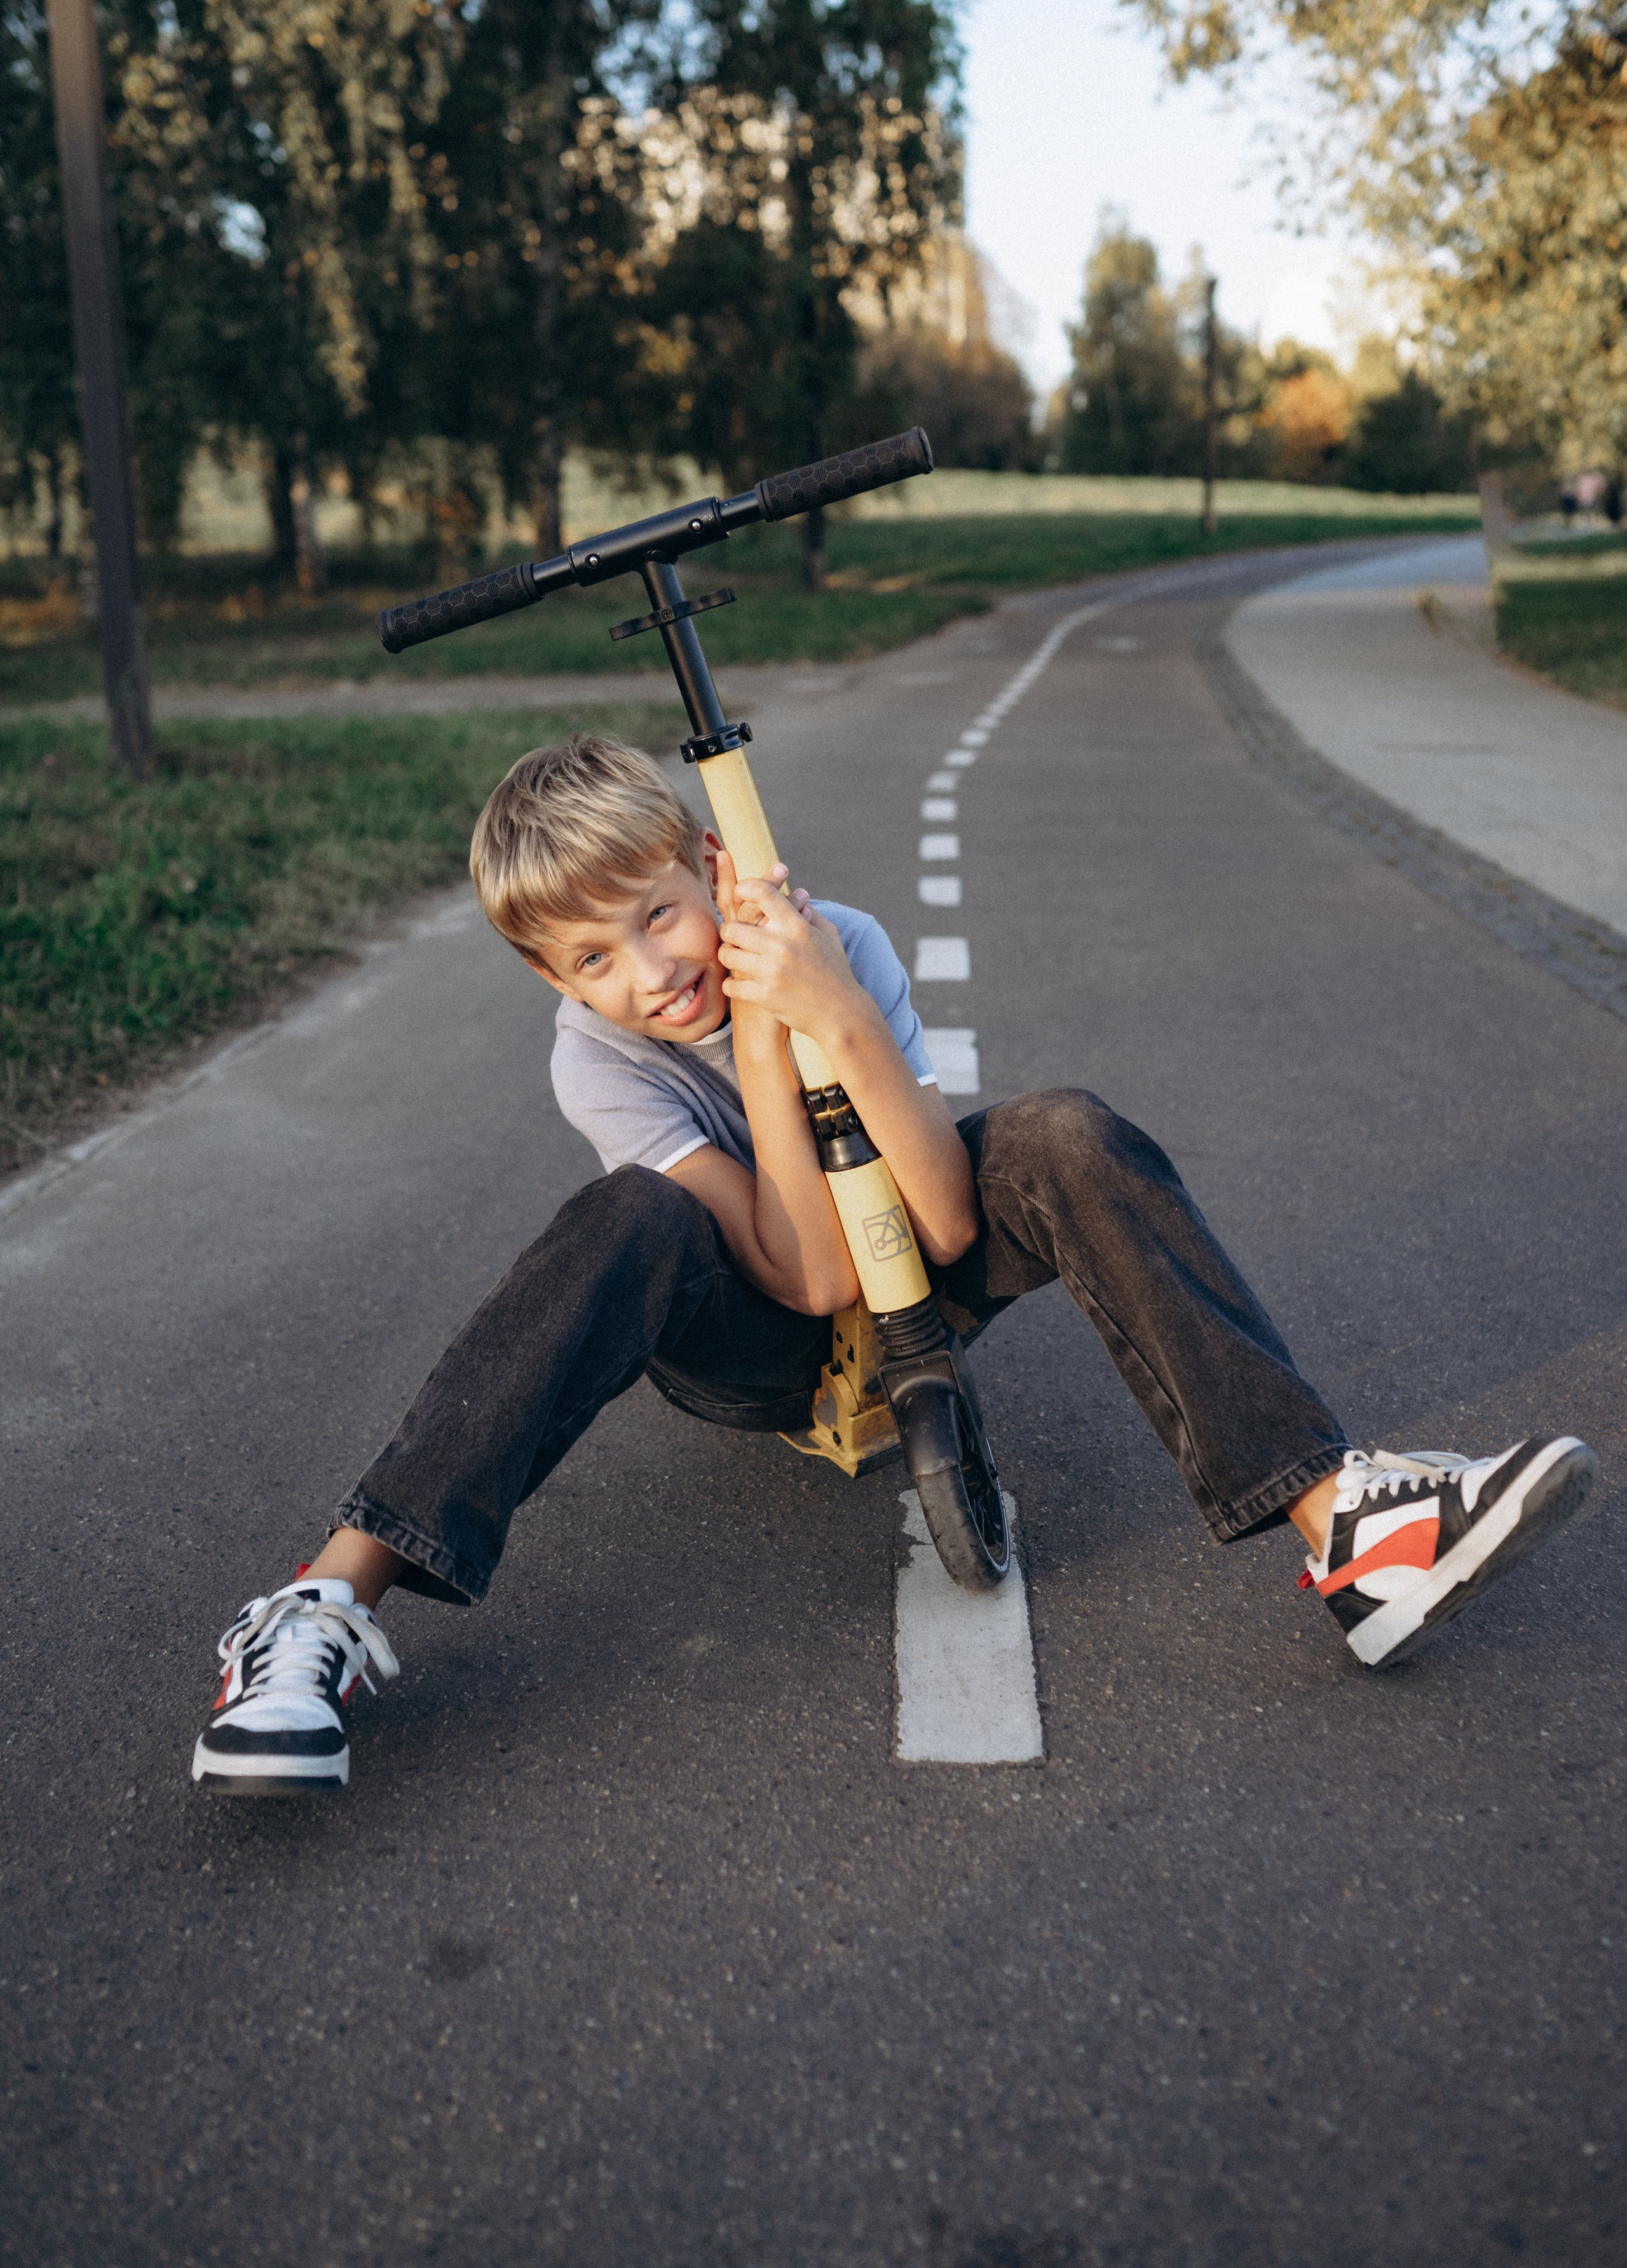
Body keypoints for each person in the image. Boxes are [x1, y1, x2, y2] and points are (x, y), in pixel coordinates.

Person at [191, 737, 1596, 1794]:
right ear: (553, 984)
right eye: (587, 958)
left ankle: (1346, 1526)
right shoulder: (597, 1056)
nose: (643, 972)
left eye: (656, 915)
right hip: (753, 1329)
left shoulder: (836, 941)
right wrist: (756, 1040)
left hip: (913, 1258)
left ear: (708, 863)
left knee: (1060, 1131)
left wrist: (831, 1009)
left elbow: (934, 1218)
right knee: (626, 1220)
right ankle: (322, 1601)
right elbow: (804, 1280)